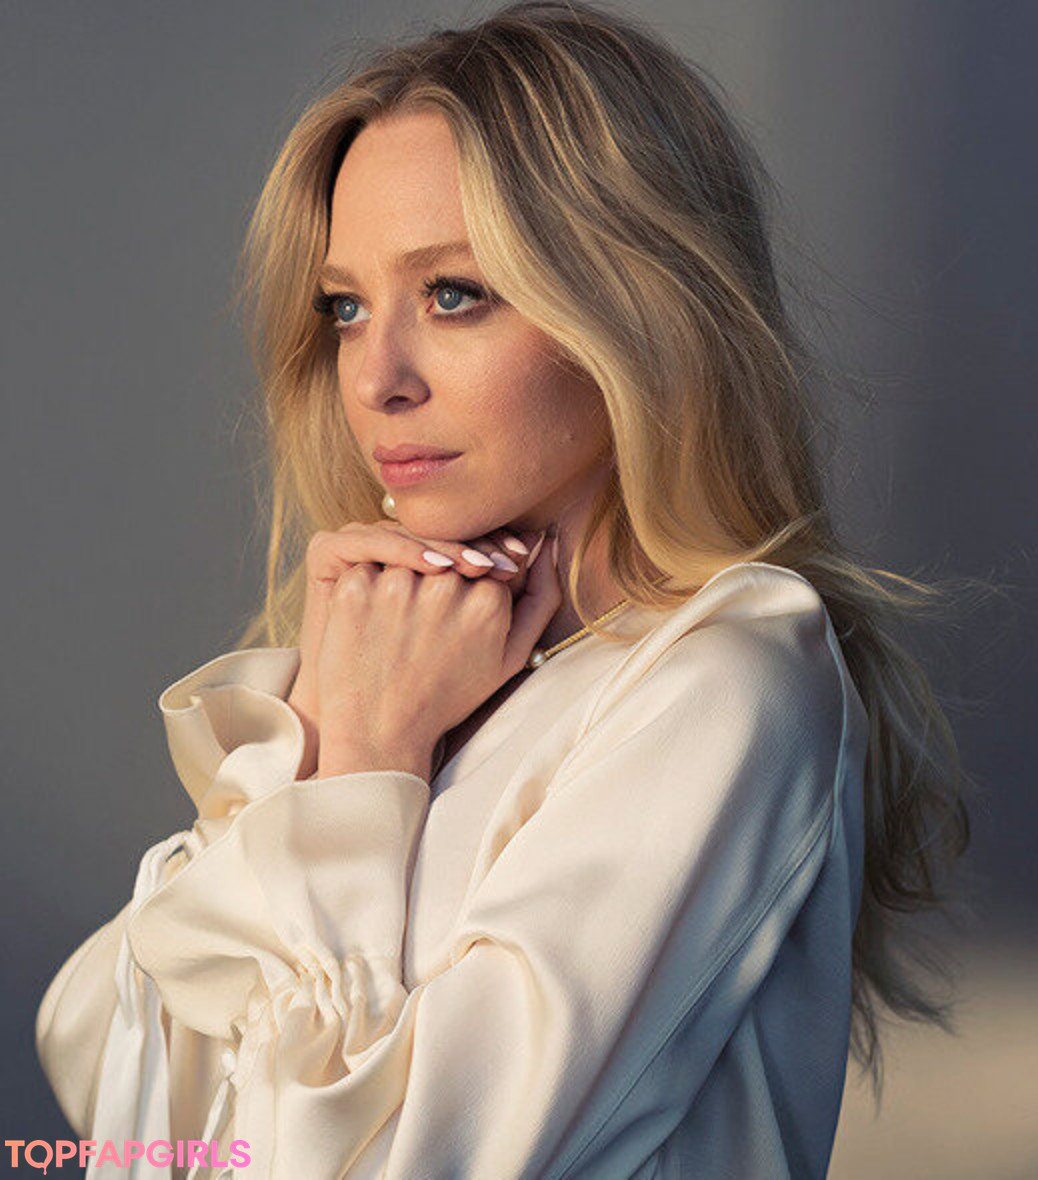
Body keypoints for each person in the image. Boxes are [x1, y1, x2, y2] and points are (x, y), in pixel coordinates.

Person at [34, 3, 977, 1177]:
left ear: (634, 306)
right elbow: (112, 1071)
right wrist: (324, 732)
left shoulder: (728, 677)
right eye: (345, 306)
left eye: (453, 293)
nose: (375, 378)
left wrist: (363, 765)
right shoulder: (413, 670)